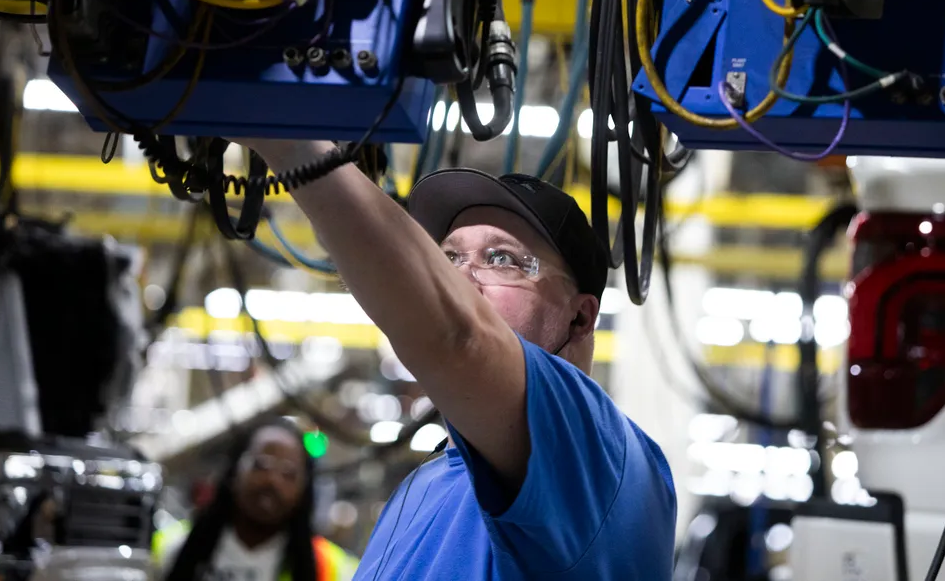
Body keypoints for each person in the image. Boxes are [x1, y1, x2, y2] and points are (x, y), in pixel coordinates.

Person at [244, 139, 677, 580]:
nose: (463, 278)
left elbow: (461, 339)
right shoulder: (419, 488)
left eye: (501, 259)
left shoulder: (597, 461)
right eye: (448, 257)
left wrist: (291, 146)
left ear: (581, 318)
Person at [152, 418, 359, 581]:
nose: (272, 481)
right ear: (234, 471)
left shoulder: (333, 570)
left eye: (289, 473)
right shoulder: (168, 549)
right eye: (262, 465)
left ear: (304, 490)